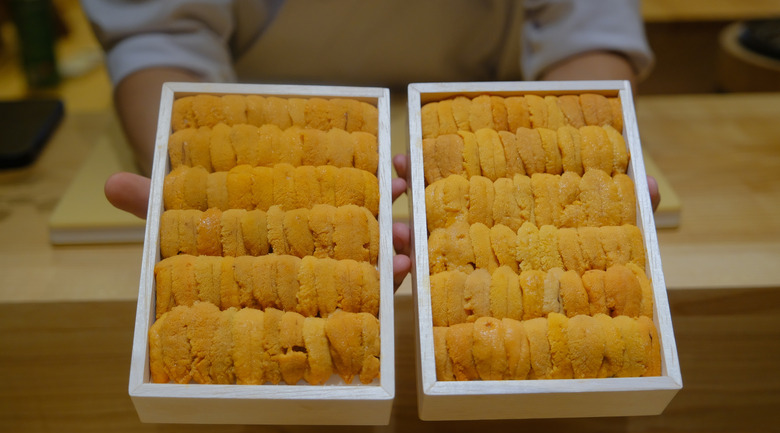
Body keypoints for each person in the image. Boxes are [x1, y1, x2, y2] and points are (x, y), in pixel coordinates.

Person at [81, 0, 659, 289]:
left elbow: (585, 24)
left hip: (493, 131)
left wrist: (577, 159)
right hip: (259, 134)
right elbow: (160, 30)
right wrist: (199, 178)